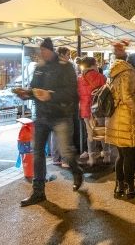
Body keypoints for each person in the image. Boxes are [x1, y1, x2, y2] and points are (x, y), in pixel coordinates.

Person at [19, 38, 83, 207]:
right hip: (41, 116)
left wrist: (51, 95)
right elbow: (34, 88)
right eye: (41, 51)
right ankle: (38, 191)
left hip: (60, 115)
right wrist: (26, 93)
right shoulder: (40, 67)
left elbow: (72, 94)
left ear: (52, 50)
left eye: (45, 51)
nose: (42, 54)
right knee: (38, 152)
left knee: (66, 152)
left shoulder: (66, 66)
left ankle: (77, 172)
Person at [105, 42, 135, 199]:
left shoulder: (117, 72)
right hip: (128, 119)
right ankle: (130, 189)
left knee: (122, 156)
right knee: (130, 156)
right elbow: (128, 97)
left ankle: (119, 187)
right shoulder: (128, 73)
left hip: (117, 118)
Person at [77, 56, 110, 166]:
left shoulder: (79, 78)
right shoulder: (100, 77)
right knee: (102, 132)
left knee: (90, 133)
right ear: (92, 65)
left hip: (85, 109)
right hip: (99, 109)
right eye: (96, 64)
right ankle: (106, 156)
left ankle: (91, 158)